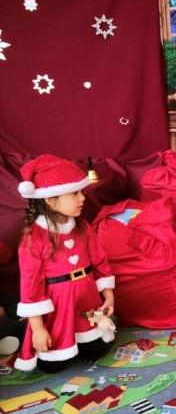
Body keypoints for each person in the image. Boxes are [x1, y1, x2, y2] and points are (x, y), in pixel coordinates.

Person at [14, 154, 116, 372]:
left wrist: (108, 294)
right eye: (74, 193)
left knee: (96, 352)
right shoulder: (33, 238)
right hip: (58, 306)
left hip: (86, 298)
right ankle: (20, 328)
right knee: (52, 366)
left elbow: (99, 260)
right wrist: (38, 328)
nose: (83, 198)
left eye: (81, 192)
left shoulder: (83, 226)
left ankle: (82, 338)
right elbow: (31, 285)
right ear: (50, 200)